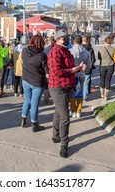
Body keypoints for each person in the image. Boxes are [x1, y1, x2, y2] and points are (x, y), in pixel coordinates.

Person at [48, 29, 86, 158]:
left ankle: (56, 135)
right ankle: (64, 145)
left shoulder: (66, 50)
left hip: (67, 86)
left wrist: (78, 68)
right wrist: (72, 70)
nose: (67, 39)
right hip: (58, 87)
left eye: (67, 37)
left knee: (59, 111)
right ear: (58, 39)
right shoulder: (55, 51)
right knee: (65, 116)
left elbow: (69, 67)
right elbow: (56, 71)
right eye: (64, 38)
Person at [20, 35, 49, 132]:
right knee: (35, 103)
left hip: (26, 79)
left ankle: (23, 119)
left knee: (27, 100)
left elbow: (22, 62)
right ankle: (34, 123)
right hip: (37, 81)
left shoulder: (24, 51)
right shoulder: (42, 55)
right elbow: (47, 71)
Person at [69, 35, 91, 118]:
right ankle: (79, 111)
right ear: (81, 41)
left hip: (72, 74)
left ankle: (73, 110)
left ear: (74, 41)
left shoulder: (70, 51)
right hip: (81, 74)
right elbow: (89, 65)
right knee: (80, 92)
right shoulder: (86, 52)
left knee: (72, 93)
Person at [97, 36, 115, 105]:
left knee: (102, 79)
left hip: (102, 66)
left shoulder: (101, 49)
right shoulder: (114, 50)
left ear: (105, 41)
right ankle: (106, 95)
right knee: (108, 80)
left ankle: (101, 94)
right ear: (111, 42)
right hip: (110, 66)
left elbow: (99, 58)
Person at [82, 35, 96, 101]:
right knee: (86, 81)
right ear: (88, 40)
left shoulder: (80, 48)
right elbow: (93, 59)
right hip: (88, 67)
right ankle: (85, 95)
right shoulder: (90, 48)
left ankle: (81, 95)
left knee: (80, 81)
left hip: (80, 67)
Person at [43, 36, 56, 103]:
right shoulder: (56, 49)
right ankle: (54, 98)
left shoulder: (45, 50)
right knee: (53, 84)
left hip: (47, 69)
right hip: (54, 69)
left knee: (46, 84)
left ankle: (46, 98)